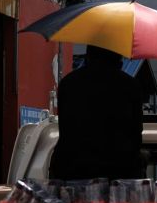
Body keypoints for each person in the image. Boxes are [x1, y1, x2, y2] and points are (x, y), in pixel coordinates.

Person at [49, 45, 143, 181]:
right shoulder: (131, 87)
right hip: (118, 176)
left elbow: (65, 130)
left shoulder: (68, 84)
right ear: (119, 60)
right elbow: (136, 137)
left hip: (72, 174)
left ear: (87, 57)